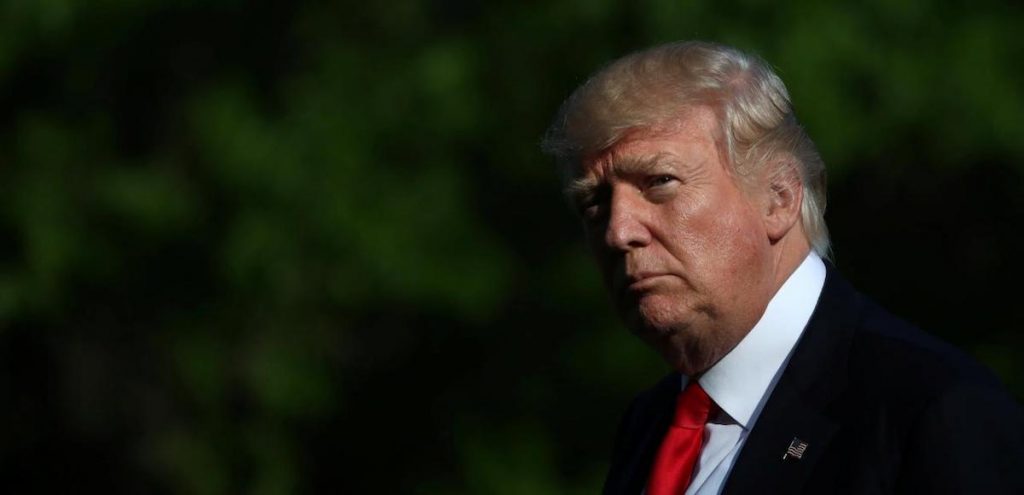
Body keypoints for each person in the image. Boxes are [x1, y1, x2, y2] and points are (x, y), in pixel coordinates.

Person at [542, 41, 1022, 494]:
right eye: (594, 203)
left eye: (660, 181)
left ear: (779, 197)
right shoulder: (649, 425)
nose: (618, 230)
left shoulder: (934, 409)